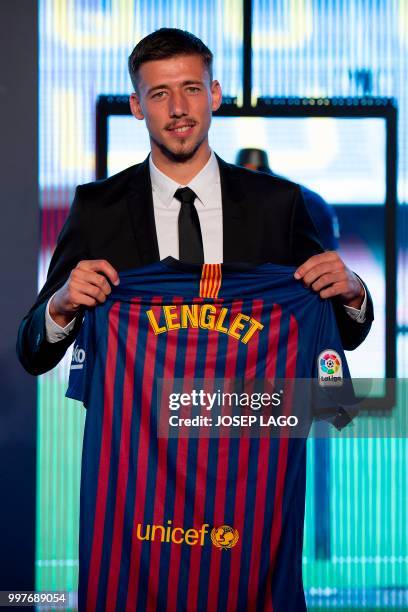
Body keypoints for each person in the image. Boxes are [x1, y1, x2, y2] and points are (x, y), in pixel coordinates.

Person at [17, 26, 372, 376]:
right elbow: (32, 354)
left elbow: (341, 335)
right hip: (135, 427)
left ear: (214, 94)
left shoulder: (279, 203)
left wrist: (353, 294)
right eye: (159, 94)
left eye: (191, 88)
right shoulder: (97, 208)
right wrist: (60, 307)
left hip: (250, 425)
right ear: (137, 106)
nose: (178, 108)